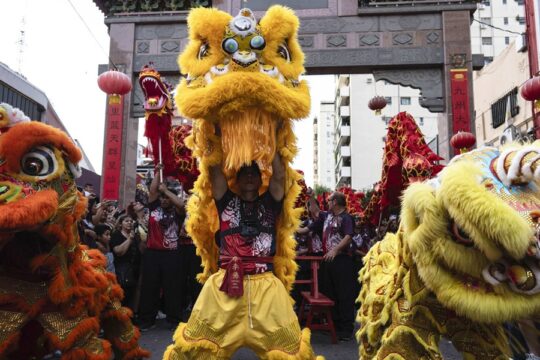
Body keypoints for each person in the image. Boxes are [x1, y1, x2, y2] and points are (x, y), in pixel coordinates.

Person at [166, 127, 319, 359]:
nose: (249, 175)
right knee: (197, 348)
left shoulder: (271, 202)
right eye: (244, 172)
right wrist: (213, 132)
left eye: (253, 172)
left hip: (266, 288)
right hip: (225, 285)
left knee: (289, 351)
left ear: (260, 179)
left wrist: (277, 134)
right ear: (236, 180)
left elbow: (279, 176)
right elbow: (215, 170)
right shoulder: (225, 201)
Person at [299, 191, 355, 341]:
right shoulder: (327, 217)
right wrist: (311, 196)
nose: (327, 203)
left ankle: (346, 330)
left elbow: (348, 236)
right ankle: (335, 325)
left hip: (342, 261)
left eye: (329, 201)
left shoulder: (347, 218)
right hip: (328, 261)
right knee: (331, 293)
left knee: (344, 295)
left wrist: (335, 250)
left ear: (335, 202)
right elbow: (315, 211)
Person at [138, 164, 185, 331]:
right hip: (152, 253)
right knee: (150, 287)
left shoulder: (177, 212)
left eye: (166, 197)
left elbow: (180, 204)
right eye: (162, 197)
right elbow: (152, 191)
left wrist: (166, 191)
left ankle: (174, 319)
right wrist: (158, 170)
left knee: (172, 287)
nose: (164, 200)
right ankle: (146, 319)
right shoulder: (153, 207)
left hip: (171, 254)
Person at [110, 214, 141, 310]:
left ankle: (132, 314)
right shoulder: (116, 235)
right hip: (122, 269)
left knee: (133, 293)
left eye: (131, 221)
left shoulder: (135, 236)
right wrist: (129, 239)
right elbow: (119, 252)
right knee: (123, 294)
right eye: (126, 221)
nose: (129, 223)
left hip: (135, 269)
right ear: (120, 224)